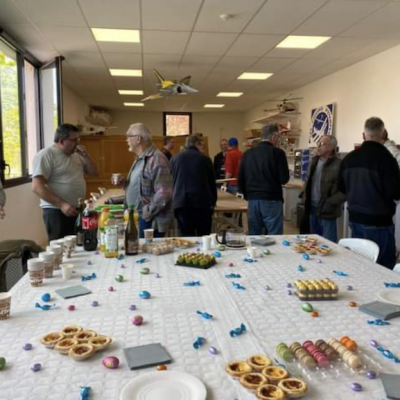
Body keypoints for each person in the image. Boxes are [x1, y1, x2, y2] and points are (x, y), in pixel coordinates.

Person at [339, 117, 400, 269]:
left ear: (363, 135)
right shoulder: (387, 159)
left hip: (355, 219)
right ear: (383, 133)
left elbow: (341, 189)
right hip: (379, 222)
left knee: (360, 264)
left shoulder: (349, 159)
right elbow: (395, 192)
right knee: (383, 268)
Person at [32, 124, 98, 241]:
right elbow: (37, 187)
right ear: (62, 141)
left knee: (78, 244)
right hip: (57, 211)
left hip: (77, 209)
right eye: (73, 140)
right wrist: (61, 204)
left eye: (78, 139)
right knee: (62, 249)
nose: (77, 143)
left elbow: (94, 173)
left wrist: (86, 156)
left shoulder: (76, 155)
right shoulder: (46, 155)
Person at [238, 123, 290, 235]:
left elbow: (240, 178)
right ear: (273, 137)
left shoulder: (248, 154)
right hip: (271, 199)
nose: (278, 140)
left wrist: (248, 195)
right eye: (278, 137)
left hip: (253, 200)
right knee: (274, 236)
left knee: (254, 236)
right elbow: (283, 179)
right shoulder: (278, 153)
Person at [125, 123, 173, 238]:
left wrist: (147, 212)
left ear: (138, 139)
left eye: (129, 136)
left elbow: (164, 192)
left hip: (151, 219)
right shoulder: (140, 158)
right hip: (140, 216)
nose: (126, 140)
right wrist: (125, 184)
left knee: (149, 254)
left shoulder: (157, 159)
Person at [171, 134, 217, 236]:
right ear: (197, 144)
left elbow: (172, 182)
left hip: (181, 203)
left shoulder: (175, 159)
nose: (203, 148)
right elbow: (212, 184)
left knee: (186, 238)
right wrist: (213, 203)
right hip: (202, 204)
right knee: (204, 237)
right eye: (202, 145)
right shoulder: (205, 159)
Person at [302, 135, 345, 242]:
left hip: (327, 209)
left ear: (331, 147)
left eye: (322, 144)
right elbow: (307, 180)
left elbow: (344, 190)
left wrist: (330, 203)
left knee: (329, 244)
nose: (318, 147)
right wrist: (304, 195)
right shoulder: (314, 161)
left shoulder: (339, 164)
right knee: (313, 242)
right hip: (311, 207)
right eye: (318, 144)